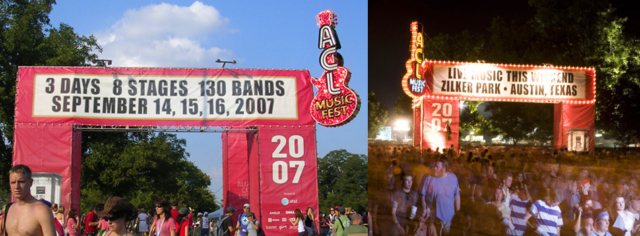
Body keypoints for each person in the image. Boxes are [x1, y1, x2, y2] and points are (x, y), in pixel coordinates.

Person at [3, 165, 57, 236]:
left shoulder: (41, 210)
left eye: (21, 182)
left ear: (30, 182)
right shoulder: (9, 209)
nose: (16, 187)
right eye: (13, 182)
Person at [422, 159, 460, 236]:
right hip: (435, 219)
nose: (434, 168)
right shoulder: (429, 178)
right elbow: (423, 195)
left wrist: (458, 213)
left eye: (437, 167)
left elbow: (457, 196)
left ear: (444, 168)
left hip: (450, 219)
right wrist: (424, 209)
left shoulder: (453, 178)